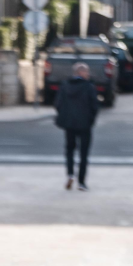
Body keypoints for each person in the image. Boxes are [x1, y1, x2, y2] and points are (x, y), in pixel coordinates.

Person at [53, 62, 98, 190]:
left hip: (69, 124)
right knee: (84, 154)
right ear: (80, 73)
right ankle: (82, 182)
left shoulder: (65, 85)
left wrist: (64, 116)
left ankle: (70, 174)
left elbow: (58, 104)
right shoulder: (89, 87)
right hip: (84, 125)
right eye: (86, 71)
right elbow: (94, 106)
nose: (88, 74)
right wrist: (90, 120)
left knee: (69, 151)